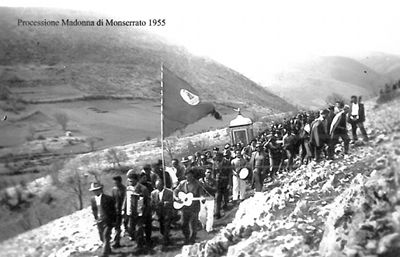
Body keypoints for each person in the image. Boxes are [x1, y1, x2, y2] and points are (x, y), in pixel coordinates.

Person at [174, 167, 204, 244]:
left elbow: (201, 194)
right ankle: (186, 238)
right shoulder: (182, 183)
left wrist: (202, 198)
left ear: (193, 176)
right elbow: (175, 191)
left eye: (190, 176)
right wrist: (176, 198)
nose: (189, 177)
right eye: (187, 175)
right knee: (183, 223)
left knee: (193, 224)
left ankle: (192, 238)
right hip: (184, 207)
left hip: (194, 207)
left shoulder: (198, 184)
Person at [122, 173, 151, 253]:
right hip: (130, 212)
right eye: (129, 181)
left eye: (132, 180)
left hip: (140, 212)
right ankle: (138, 240)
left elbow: (147, 202)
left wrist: (146, 212)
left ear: (136, 180)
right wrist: (124, 209)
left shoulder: (143, 188)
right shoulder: (128, 188)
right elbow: (126, 199)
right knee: (131, 229)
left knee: (139, 228)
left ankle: (140, 245)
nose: (130, 182)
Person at [89, 182, 116, 257]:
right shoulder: (93, 199)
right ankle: (109, 250)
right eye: (94, 190)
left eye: (97, 190)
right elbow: (94, 210)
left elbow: (113, 211)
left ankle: (104, 253)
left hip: (108, 220)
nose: (95, 192)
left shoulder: (108, 198)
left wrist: (114, 221)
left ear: (101, 189)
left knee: (106, 235)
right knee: (102, 237)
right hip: (99, 220)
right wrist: (96, 218)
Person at [151, 180, 174, 246]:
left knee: (166, 226)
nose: (158, 187)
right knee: (162, 227)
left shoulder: (169, 192)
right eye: (157, 186)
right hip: (159, 213)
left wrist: (165, 203)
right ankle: (166, 237)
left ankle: (165, 240)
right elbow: (152, 203)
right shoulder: (153, 193)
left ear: (163, 185)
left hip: (167, 212)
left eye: (159, 186)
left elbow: (172, 202)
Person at [213, 152, 232, 219]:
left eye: (217, 157)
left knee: (226, 197)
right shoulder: (215, 163)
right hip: (218, 183)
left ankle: (225, 210)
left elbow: (230, 173)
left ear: (221, 157)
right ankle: (217, 213)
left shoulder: (227, 162)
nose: (217, 158)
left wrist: (230, 183)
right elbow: (213, 173)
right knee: (217, 198)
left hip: (225, 182)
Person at [198, 167, 217, 232]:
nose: (209, 174)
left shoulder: (214, 181)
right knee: (201, 215)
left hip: (210, 199)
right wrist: (201, 196)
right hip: (203, 199)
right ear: (205, 173)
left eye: (210, 172)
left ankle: (209, 228)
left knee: (210, 215)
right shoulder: (200, 180)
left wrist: (206, 186)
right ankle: (204, 224)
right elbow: (199, 189)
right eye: (207, 172)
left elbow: (214, 189)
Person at [111, 176, 126, 249]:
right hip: (116, 211)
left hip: (124, 210)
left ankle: (134, 236)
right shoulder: (114, 190)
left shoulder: (124, 189)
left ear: (120, 182)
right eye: (114, 182)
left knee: (128, 225)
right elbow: (113, 200)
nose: (115, 183)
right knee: (117, 227)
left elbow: (126, 200)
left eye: (116, 182)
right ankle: (116, 242)